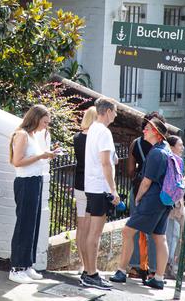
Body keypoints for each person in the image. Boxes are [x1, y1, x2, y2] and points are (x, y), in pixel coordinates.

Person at [110, 117, 171, 290]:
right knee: (160, 238)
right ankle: (158, 277)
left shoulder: (155, 153)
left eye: (148, 128)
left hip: (151, 199)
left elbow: (146, 181)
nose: (144, 130)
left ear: (157, 134)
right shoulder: (166, 150)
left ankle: (121, 271)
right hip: (164, 200)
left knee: (128, 231)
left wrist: (138, 197)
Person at [8, 104, 58, 284]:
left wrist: (46, 155)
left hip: (35, 180)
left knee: (33, 224)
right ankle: (16, 268)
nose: (46, 126)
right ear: (35, 118)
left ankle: (27, 265)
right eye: (44, 122)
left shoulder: (34, 135)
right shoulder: (21, 134)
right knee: (24, 224)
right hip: (25, 182)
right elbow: (17, 161)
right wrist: (41, 156)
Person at [80, 98, 119, 289]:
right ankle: (92, 274)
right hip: (100, 188)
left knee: (89, 232)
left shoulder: (94, 128)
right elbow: (105, 162)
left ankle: (88, 271)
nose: (117, 115)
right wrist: (113, 190)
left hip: (91, 186)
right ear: (109, 111)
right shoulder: (104, 131)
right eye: (116, 111)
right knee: (95, 234)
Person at [125, 112, 165, 280]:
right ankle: (155, 269)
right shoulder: (164, 147)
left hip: (139, 188)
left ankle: (135, 266)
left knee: (133, 230)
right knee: (156, 234)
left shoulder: (136, 144)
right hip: (159, 193)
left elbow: (130, 170)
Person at [164, 135, 185, 279]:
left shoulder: (179, 161)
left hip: (179, 204)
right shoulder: (168, 160)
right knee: (171, 235)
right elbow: (171, 184)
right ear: (171, 147)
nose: (183, 148)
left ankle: (179, 261)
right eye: (180, 145)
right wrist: (184, 180)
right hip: (171, 205)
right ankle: (169, 266)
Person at [73, 107, 97, 277]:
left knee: (81, 227)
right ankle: (89, 266)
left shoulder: (77, 137)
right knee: (89, 228)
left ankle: (82, 263)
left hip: (79, 184)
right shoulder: (95, 138)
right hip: (92, 186)